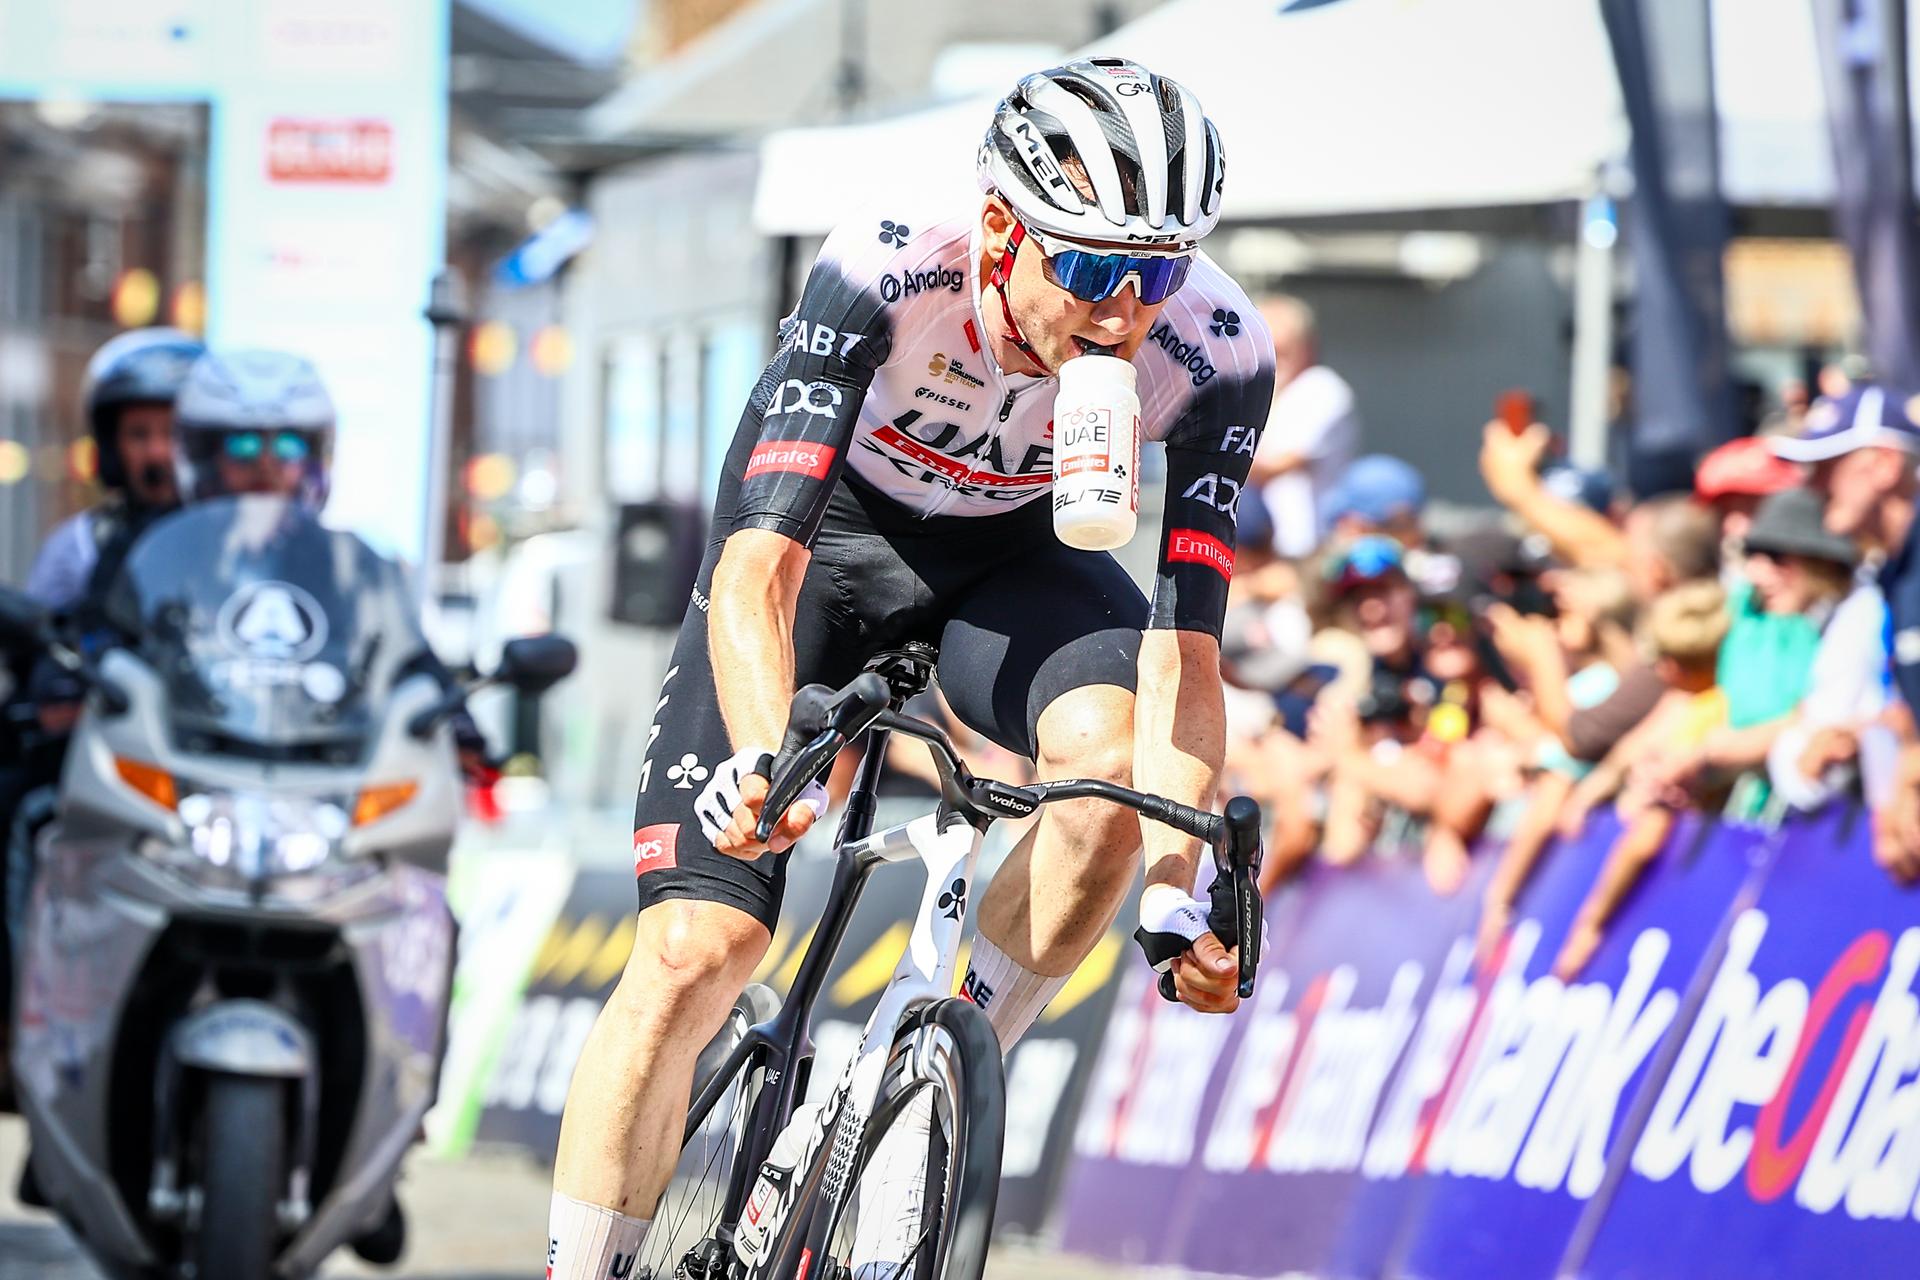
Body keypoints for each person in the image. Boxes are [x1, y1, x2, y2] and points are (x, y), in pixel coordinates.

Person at [547, 58, 1274, 1278]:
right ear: (1001, 231)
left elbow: (1185, 653)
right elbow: (755, 569)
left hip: (1014, 564)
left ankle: (933, 1088)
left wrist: (1176, 891)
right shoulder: (887, 264)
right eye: (1091, 269)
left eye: (1155, 272)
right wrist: (766, 761)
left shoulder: (1217, 347)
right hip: (826, 547)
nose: (1121, 314)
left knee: (1107, 784)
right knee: (694, 953)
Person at [1770, 385, 1920, 883]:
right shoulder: (1889, 578)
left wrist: (1911, 773)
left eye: (1828, 464)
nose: (1812, 486)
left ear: (1884, 465)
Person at [24, 328, 204, 614]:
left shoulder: (236, 543)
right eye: (138, 435)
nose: (157, 452)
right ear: (111, 447)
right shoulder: (81, 547)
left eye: (172, 433)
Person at [1248, 295, 1360, 560]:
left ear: (1307, 348)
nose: (1273, 359)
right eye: (1265, 348)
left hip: (1308, 551)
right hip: (1257, 548)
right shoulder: (1255, 392)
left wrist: (1205, 454)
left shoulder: (1321, 388)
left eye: (1283, 350)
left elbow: (1275, 465)